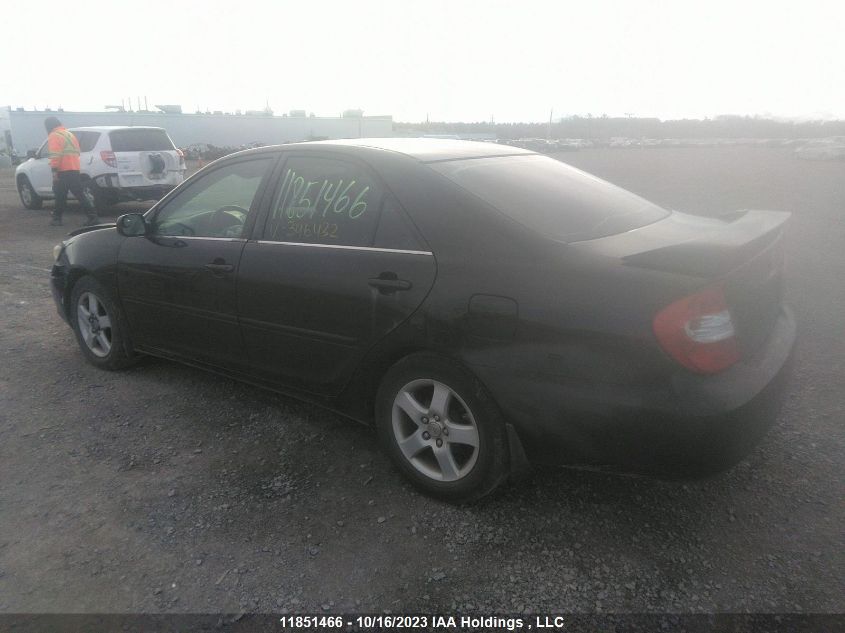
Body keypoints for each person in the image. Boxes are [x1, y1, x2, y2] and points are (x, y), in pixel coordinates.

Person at [44, 116, 97, 226]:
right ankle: (93, 217)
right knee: (80, 193)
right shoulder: (69, 134)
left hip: (63, 170)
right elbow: (77, 152)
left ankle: (57, 219)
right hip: (74, 169)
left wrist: (54, 171)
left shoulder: (54, 136)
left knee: (59, 195)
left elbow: (55, 155)